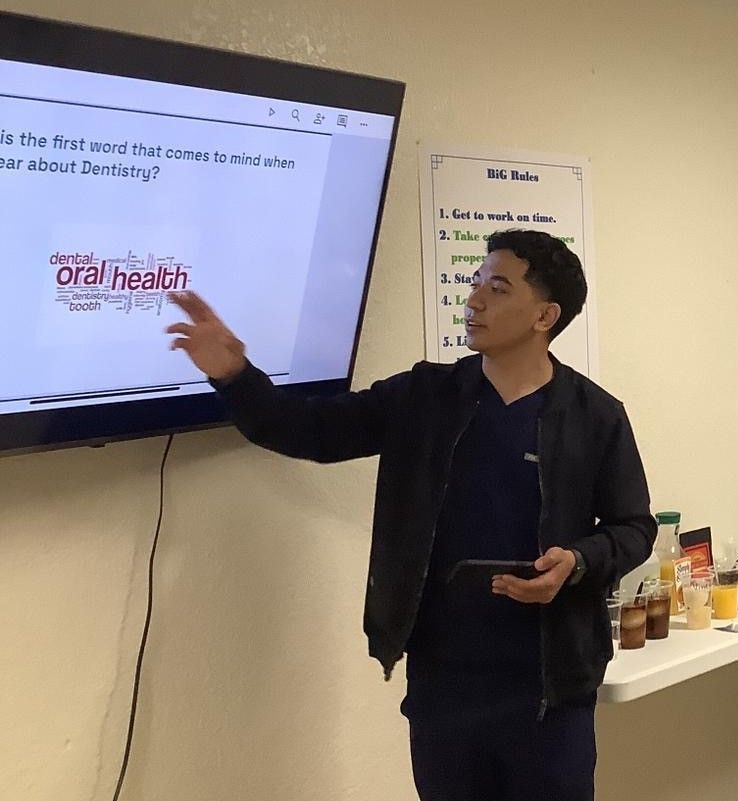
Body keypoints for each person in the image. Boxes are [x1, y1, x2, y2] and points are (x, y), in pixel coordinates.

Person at [165, 229, 653, 801]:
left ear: (545, 314)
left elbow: (634, 528)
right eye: (475, 282)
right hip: (444, 688)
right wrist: (234, 375)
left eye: (497, 288)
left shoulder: (594, 416)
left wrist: (576, 562)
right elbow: (311, 430)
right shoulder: (425, 397)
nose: (474, 299)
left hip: (550, 690)